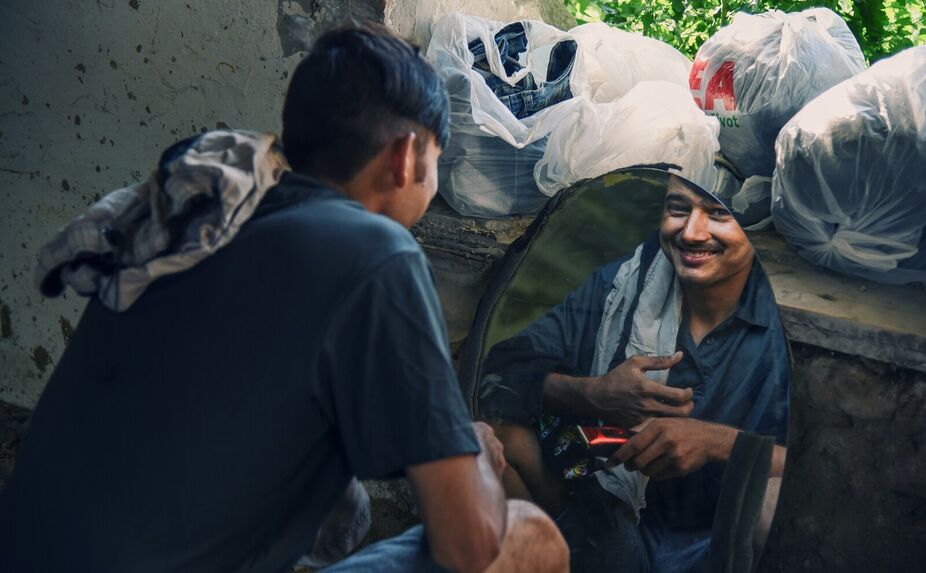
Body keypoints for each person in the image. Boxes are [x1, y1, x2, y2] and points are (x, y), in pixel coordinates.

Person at [0, 24, 568, 573]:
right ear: (406, 157)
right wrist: (477, 452)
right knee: (530, 539)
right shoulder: (378, 253)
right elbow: (468, 545)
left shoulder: (209, 211)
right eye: (437, 161)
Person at [479, 173, 789, 573]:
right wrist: (592, 395)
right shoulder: (622, 284)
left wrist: (718, 443)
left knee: (767, 504)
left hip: (704, 546)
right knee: (490, 440)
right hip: (606, 521)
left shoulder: (777, 330)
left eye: (718, 215)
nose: (692, 233)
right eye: (678, 209)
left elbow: (805, 470)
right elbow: (500, 372)